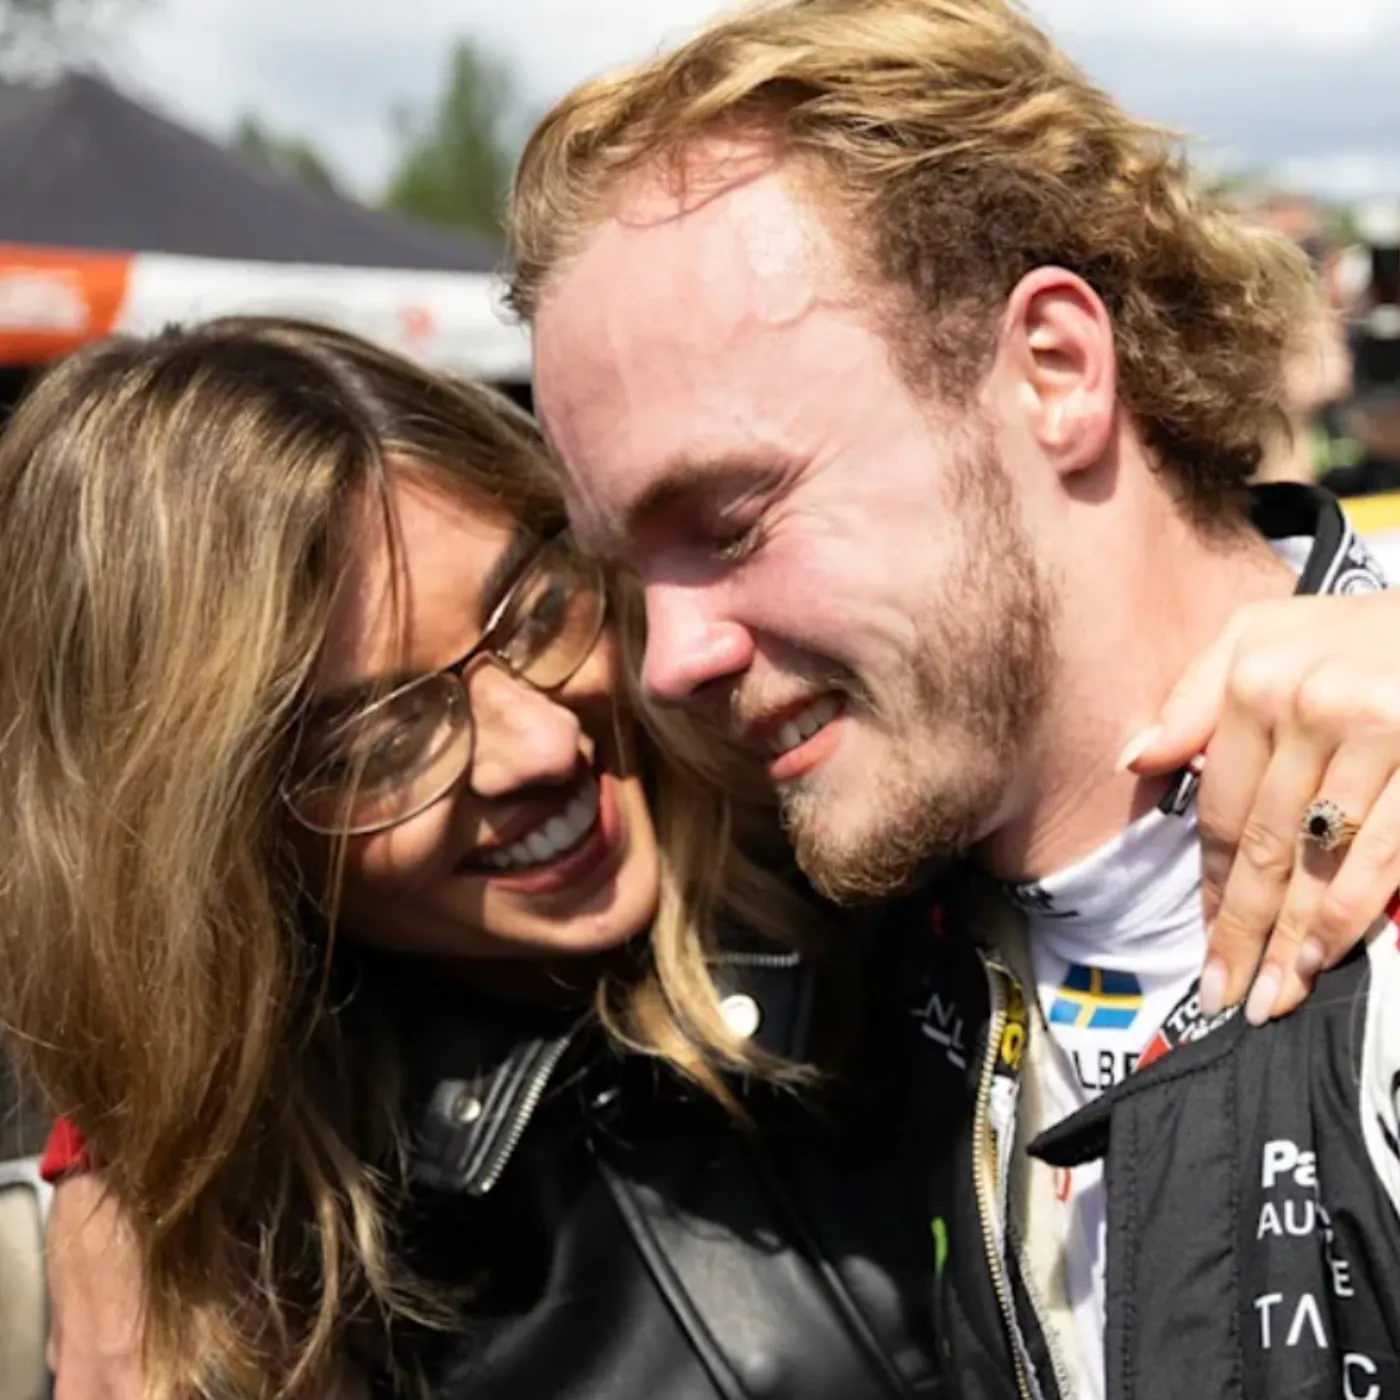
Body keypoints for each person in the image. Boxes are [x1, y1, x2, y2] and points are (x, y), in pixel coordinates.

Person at [508, 1, 1400, 1395]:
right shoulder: (842, 920)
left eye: (731, 520)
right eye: (629, 575)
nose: (668, 658)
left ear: (1054, 371)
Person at [0, 317, 953, 1400]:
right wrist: (143, 1167)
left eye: (534, 613)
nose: (539, 744)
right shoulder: (267, 1281)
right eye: (383, 739)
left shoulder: (882, 841)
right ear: (214, 847)